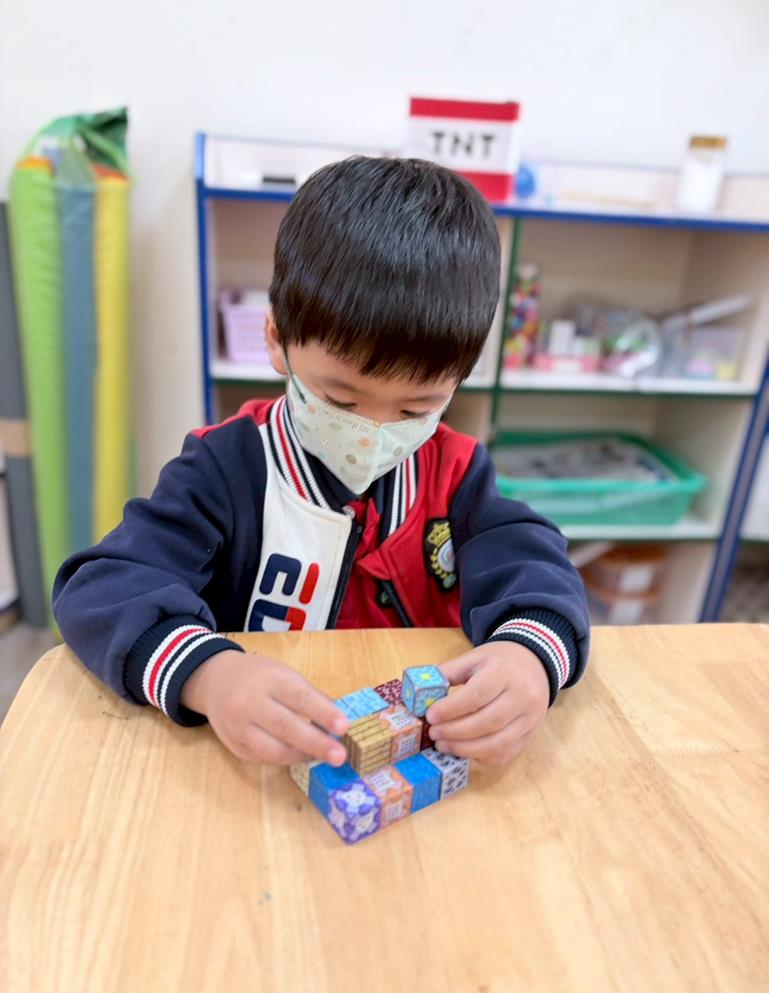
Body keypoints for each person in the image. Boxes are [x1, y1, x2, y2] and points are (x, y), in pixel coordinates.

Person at [54, 156, 589, 769]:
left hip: (413, 751)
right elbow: (103, 587)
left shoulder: (457, 473)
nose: (374, 431)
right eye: (341, 400)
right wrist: (209, 675)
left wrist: (529, 655)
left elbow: (536, 564)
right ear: (276, 338)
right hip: (255, 762)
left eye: (416, 407)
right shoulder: (226, 468)